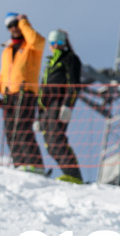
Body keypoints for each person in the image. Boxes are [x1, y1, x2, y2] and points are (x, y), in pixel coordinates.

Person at [0, 12, 45, 173]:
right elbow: (3, 77)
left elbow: (37, 41)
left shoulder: (31, 46)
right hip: (10, 95)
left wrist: (24, 22)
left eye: (15, 24)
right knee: (11, 131)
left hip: (26, 92)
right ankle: (20, 164)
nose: (13, 28)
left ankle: (35, 165)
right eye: (10, 26)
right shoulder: (7, 51)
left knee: (23, 128)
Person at [36, 29, 83, 184]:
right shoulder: (49, 63)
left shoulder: (70, 59)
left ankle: (73, 174)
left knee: (57, 137)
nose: (56, 45)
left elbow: (74, 84)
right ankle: (68, 173)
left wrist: (67, 105)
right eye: (53, 43)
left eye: (59, 42)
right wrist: (38, 114)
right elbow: (42, 87)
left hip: (59, 102)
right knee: (49, 142)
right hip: (46, 106)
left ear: (64, 43)